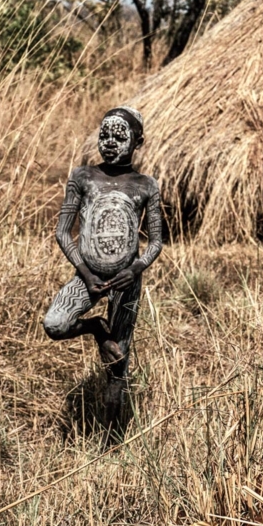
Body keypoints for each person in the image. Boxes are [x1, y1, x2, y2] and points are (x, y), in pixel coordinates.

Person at [43, 106, 162, 403]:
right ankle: (97, 327)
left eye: (119, 136)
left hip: (125, 283)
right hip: (87, 278)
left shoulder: (146, 185)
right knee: (55, 325)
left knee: (117, 370)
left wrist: (134, 270)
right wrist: (85, 272)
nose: (109, 142)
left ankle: (112, 443)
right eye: (104, 134)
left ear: (138, 141)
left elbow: (156, 242)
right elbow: (62, 232)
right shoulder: (83, 177)